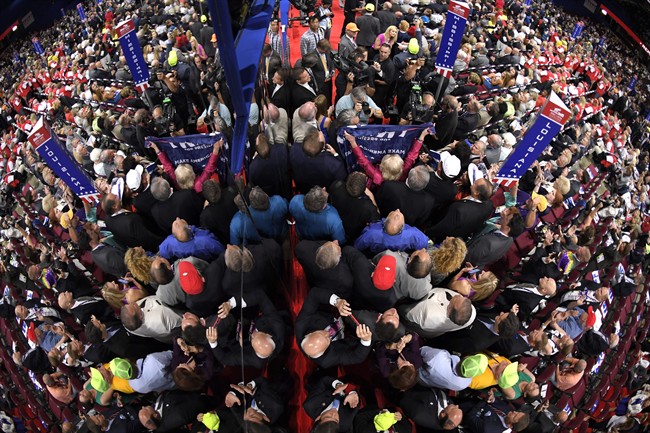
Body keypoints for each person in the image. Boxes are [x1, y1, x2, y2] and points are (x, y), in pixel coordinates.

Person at [400, 288, 476, 338]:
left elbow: (408, 314)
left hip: (415, 317)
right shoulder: (471, 312)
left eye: (456, 299)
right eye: (462, 297)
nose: (457, 295)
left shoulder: (429, 315)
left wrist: (400, 308)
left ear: (450, 311)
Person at [354, 209, 429, 255]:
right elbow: (425, 244)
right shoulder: (414, 234)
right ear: (403, 227)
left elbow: (357, 246)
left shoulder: (371, 233)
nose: (398, 209)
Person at [158, 218, 224, 262]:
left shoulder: (169, 242)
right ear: (189, 228)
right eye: (180, 220)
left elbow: (163, 254)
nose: (177, 218)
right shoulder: (206, 240)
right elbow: (222, 251)